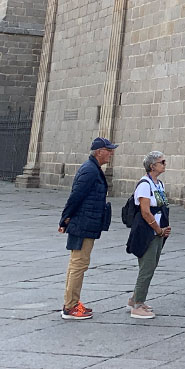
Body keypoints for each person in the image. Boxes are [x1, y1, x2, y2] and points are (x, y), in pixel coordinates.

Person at [58, 137, 115, 320]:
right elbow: (75, 196)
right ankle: (71, 307)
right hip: (83, 223)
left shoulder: (92, 169)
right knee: (78, 264)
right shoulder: (90, 170)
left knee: (77, 263)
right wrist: (64, 220)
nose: (111, 153)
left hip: (86, 222)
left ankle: (71, 302)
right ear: (99, 151)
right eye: (108, 150)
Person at [127, 150, 171, 320]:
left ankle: (135, 299)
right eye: (162, 162)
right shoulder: (145, 184)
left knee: (151, 266)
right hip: (147, 231)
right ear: (152, 166)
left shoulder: (159, 184)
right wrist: (158, 229)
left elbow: (161, 206)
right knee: (146, 267)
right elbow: (145, 211)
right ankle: (137, 305)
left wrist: (163, 228)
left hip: (158, 231)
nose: (164, 164)